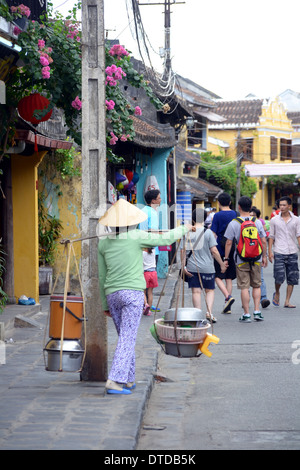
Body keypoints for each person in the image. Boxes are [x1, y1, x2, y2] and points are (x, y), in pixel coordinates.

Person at [98, 198, 194, 395]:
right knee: (127, 338)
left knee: (126, 337)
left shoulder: (103, 243)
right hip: (132, 294)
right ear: (131, 221)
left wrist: (103, 303)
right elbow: (166, 239)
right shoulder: (136, 236)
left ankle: (129, 380)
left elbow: (101, 276)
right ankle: (115, 381)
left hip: (112, 294)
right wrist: (184, 228)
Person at [224, 196, 267, 323]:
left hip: (241, 258)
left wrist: (226, 258)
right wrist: (264, 256)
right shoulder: (257, 222)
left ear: (239, 207)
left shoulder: (234, 223)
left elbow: (228, 243)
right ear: (251, 207)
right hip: (256, 257)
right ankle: (257, 311)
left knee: (244, 287)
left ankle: (246, 314)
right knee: (257, 285)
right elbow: (263, 241)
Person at [180, 207, 227, 323]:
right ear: (205, 218)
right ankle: (209, 312)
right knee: (209, 290)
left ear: (193, 218)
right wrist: (221, 264)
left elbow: (183, 250)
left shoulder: (187, 232)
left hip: (192, 267)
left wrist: (183, 266)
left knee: (196, 292)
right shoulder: (208, 233)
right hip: (207, 268)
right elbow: (214, 251)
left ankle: (198, 316)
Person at [268, 196, 300, 308]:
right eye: (280, 205)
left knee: (292, 277)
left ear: (289, 206)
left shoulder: (296, 220)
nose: (281, 207)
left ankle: (287, 301)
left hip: (292, 251)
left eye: (284, 205)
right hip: (279, 251)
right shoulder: (274, 220)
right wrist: (270, 252)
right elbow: (271, 236)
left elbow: (298, 236)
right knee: (279, 277)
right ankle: (277, 292)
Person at [210, 192, 237, 314]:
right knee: (229, 278)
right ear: (230, 202)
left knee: (217, 276)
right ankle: (228, 306)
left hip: (220, 250)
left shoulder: (217, 216)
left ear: (219, 203)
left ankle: (227, 296)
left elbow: (213, 233)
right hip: (233, 250)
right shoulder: (235, 214)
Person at [139, 189, 162, 311]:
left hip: (141, 248)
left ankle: (143, 303)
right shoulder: (152, 213)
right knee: (150, 280)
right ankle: (148, 304)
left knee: (142, 277)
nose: (160, 200)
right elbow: (153, 231)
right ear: (153, 200)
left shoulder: (142, 211)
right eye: (159, 198)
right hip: (151, 249)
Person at [250, 207, 270, 309]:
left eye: (253, 216)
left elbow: (263, 241)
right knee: (253, 279)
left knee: (259, 278)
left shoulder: (240, 222)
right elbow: (263, 240)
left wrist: (264, 256)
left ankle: (263, 298)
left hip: (251, 255)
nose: (251, 217)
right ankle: (259, 298)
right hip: (249, 255)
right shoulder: (258, 223)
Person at [142, 248, 157, 315]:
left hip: (146, 273)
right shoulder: (153, 250)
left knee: (143, 292)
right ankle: (149, 310)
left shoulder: (142, 252)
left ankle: (146, 304)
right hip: (153, 273)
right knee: (150, 293)